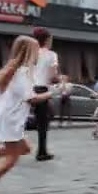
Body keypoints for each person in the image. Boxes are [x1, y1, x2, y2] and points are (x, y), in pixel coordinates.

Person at [0, 36, 52, 194]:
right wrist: (54, 92)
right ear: (29, 53)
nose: (39, 54)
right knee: (12, 157)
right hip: (11, 120)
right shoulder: (22, 73)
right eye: (37, 51)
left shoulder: (11, 69)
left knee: (25, 148)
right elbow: (32, 99)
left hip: (6, 117)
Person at [32, 27, 58, 161]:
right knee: (43, 122)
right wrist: (58, 79)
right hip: (42, 90)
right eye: (51, 39)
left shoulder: (31, 53)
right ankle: (41, 152)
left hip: (28, 88)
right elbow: (53, 76)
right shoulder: (51, 55)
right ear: (47, 40)